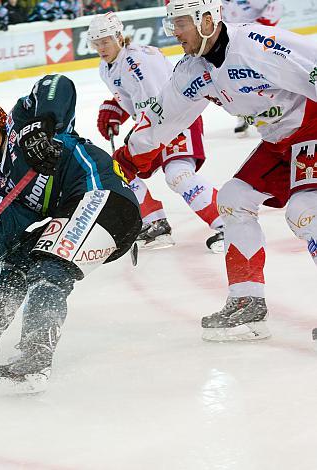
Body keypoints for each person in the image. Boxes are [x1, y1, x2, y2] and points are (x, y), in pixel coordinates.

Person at [112, 0, 317, 341]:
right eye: (172, 24)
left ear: (207, 19)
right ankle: (246, 299)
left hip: (312, 126)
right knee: (234, 199)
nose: (175, 32)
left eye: (181, 23)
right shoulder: (193, 71)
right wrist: (128, 160)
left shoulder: (257, 45)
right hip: (279, 141)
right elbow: (164, 119)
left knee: (305, 212)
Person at [0, 74, 142, 392]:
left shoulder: (23, 123)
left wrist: (41, 125)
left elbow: (57, 84)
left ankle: (34, 361)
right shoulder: (1, 182)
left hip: (105, 199)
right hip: (79, 212)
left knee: (48, 264)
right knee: (14, 254)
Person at [88, 12, 224, 252]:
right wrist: (115, 108)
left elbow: (158, 102)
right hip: (153, 126)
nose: (101, 48)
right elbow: (134, 96)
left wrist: (138, 133)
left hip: (179, 120)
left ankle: (228, 225)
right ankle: (154, 223)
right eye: (96, 43)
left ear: (119, 37)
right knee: (121, 172)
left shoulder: (137, 61)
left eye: (105, 41)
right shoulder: (108, 66)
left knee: (178, 174)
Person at [221, 0, 283, 134]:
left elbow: (274, 8)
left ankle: (278, 110)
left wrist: (258, 30)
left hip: (256, 43)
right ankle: (243, 115)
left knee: (265, 78)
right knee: (235, 80)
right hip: (231, 45)